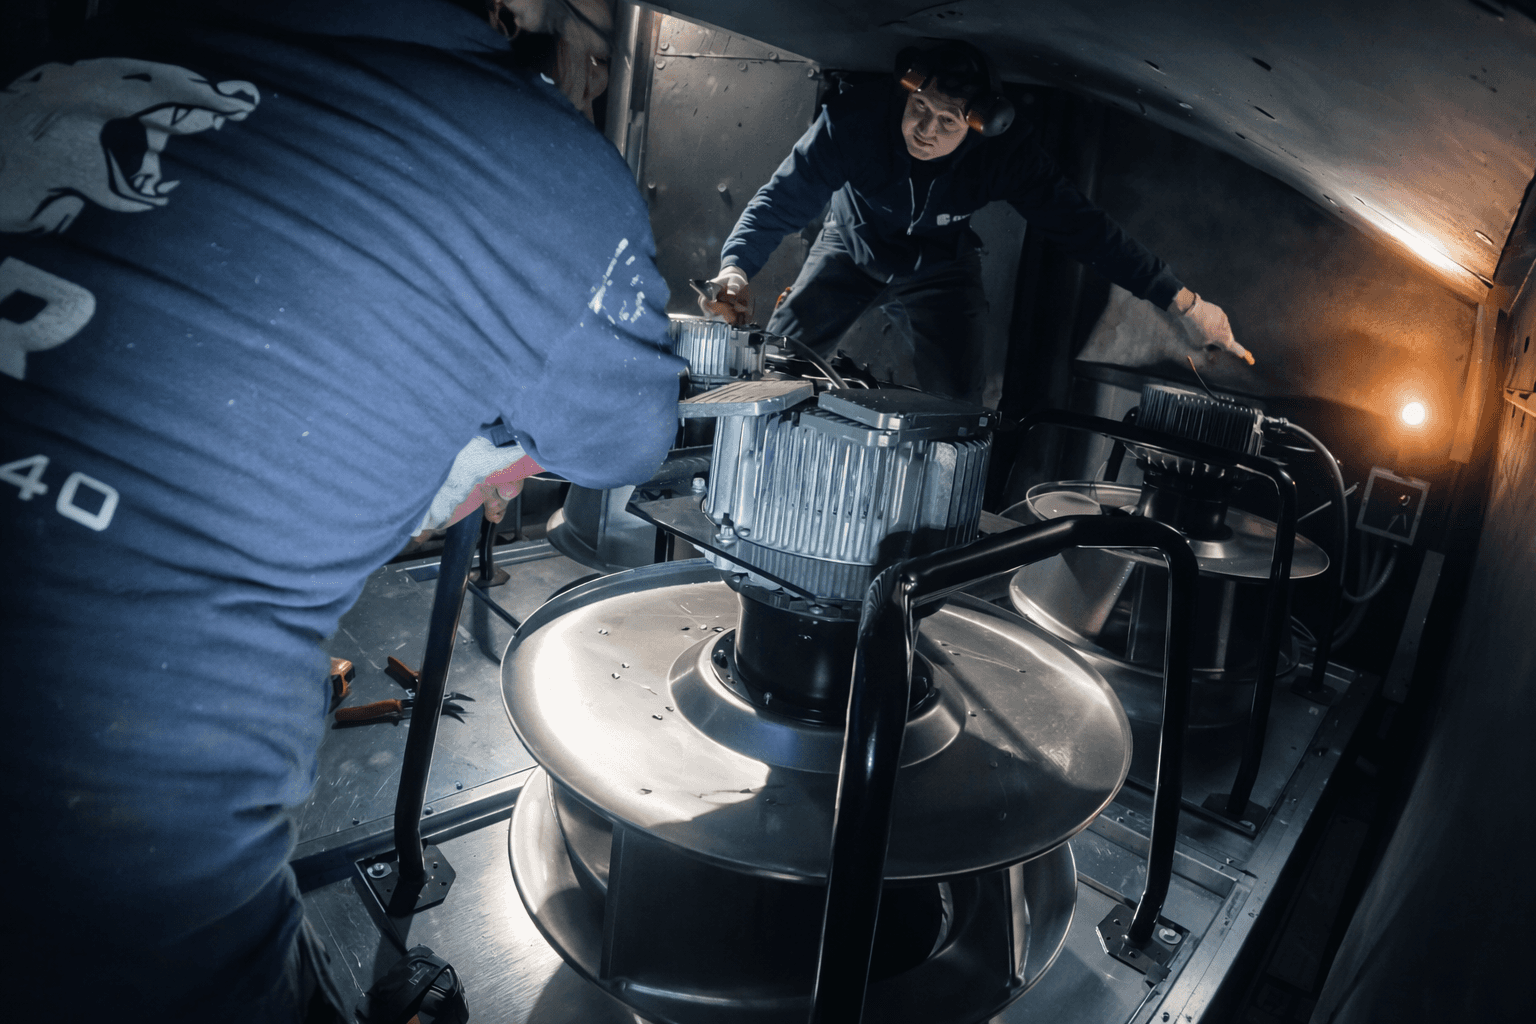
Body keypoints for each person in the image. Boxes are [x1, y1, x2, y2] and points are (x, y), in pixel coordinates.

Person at [0, 0, 682, 1020]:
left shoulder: (73, 34)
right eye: (590, 54)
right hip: (104, 876)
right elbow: (629, 442)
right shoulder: (543, 164)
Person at [699, 40, 1252, 402]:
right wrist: (735, 272)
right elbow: (781, 199)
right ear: (907, 95)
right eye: (920, 110)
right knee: (773, 371)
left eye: (947, 121)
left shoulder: (1006, 156)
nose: (926, 131)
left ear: (978, 125)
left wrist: (1187, 304)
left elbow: (1085, 229)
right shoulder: (855, 123)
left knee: (960, 409)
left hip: (942, 264)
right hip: (853, 244)